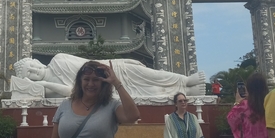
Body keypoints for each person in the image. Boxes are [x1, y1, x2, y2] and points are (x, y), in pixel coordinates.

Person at [11, 53, 206, 100]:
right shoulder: (49, 88)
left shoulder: (58, 59)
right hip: (104, 88)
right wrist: (44, 83)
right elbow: (73, 91)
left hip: (108, 70)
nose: (34, 72)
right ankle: (185, 92)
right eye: (30, 74)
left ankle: (184, 80)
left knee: (148, 74)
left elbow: (87, 66)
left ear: (36, 61)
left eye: (31, 67)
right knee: (148, 93)